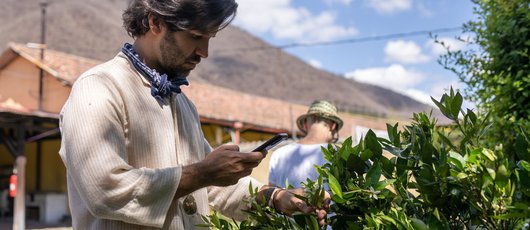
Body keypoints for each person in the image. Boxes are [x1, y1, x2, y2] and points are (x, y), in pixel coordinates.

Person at [58, 0, 329, 229]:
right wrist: (202, 173)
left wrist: (275, 197)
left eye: (209, 39)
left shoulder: (183, 104)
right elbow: (105, 190)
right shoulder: (98, 87)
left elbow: (212, 190)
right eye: (196, 37)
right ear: (155, 23)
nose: (205, 52)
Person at [269, 100, 343, 188]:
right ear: (333, 125)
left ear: (305, 124)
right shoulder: (337, 154)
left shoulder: (278, 153)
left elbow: (271, 195)